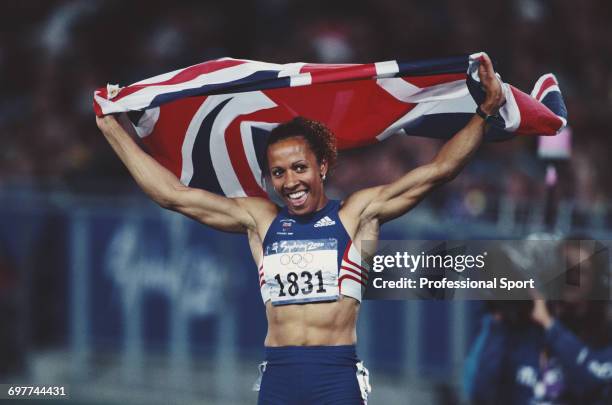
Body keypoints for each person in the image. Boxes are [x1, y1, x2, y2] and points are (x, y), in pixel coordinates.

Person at [96, 54, 504, 404]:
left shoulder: (357, 214)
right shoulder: (260, 220)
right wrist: (113, 129)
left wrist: (485, 112)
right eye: (278, 172)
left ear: (321, 167)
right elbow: (173, 195)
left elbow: (438, 171)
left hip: (336, 377)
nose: (290, 181)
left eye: (299, 168)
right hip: (279, 377)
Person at [464, 238, 612, 405]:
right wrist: (498, 320)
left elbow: (596, 387)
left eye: (581, 271)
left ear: (597, 282)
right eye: (565, 268)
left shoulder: (603, 338)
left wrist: (551, 326)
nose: (571, 279)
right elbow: (479, 393)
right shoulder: (519, 333)